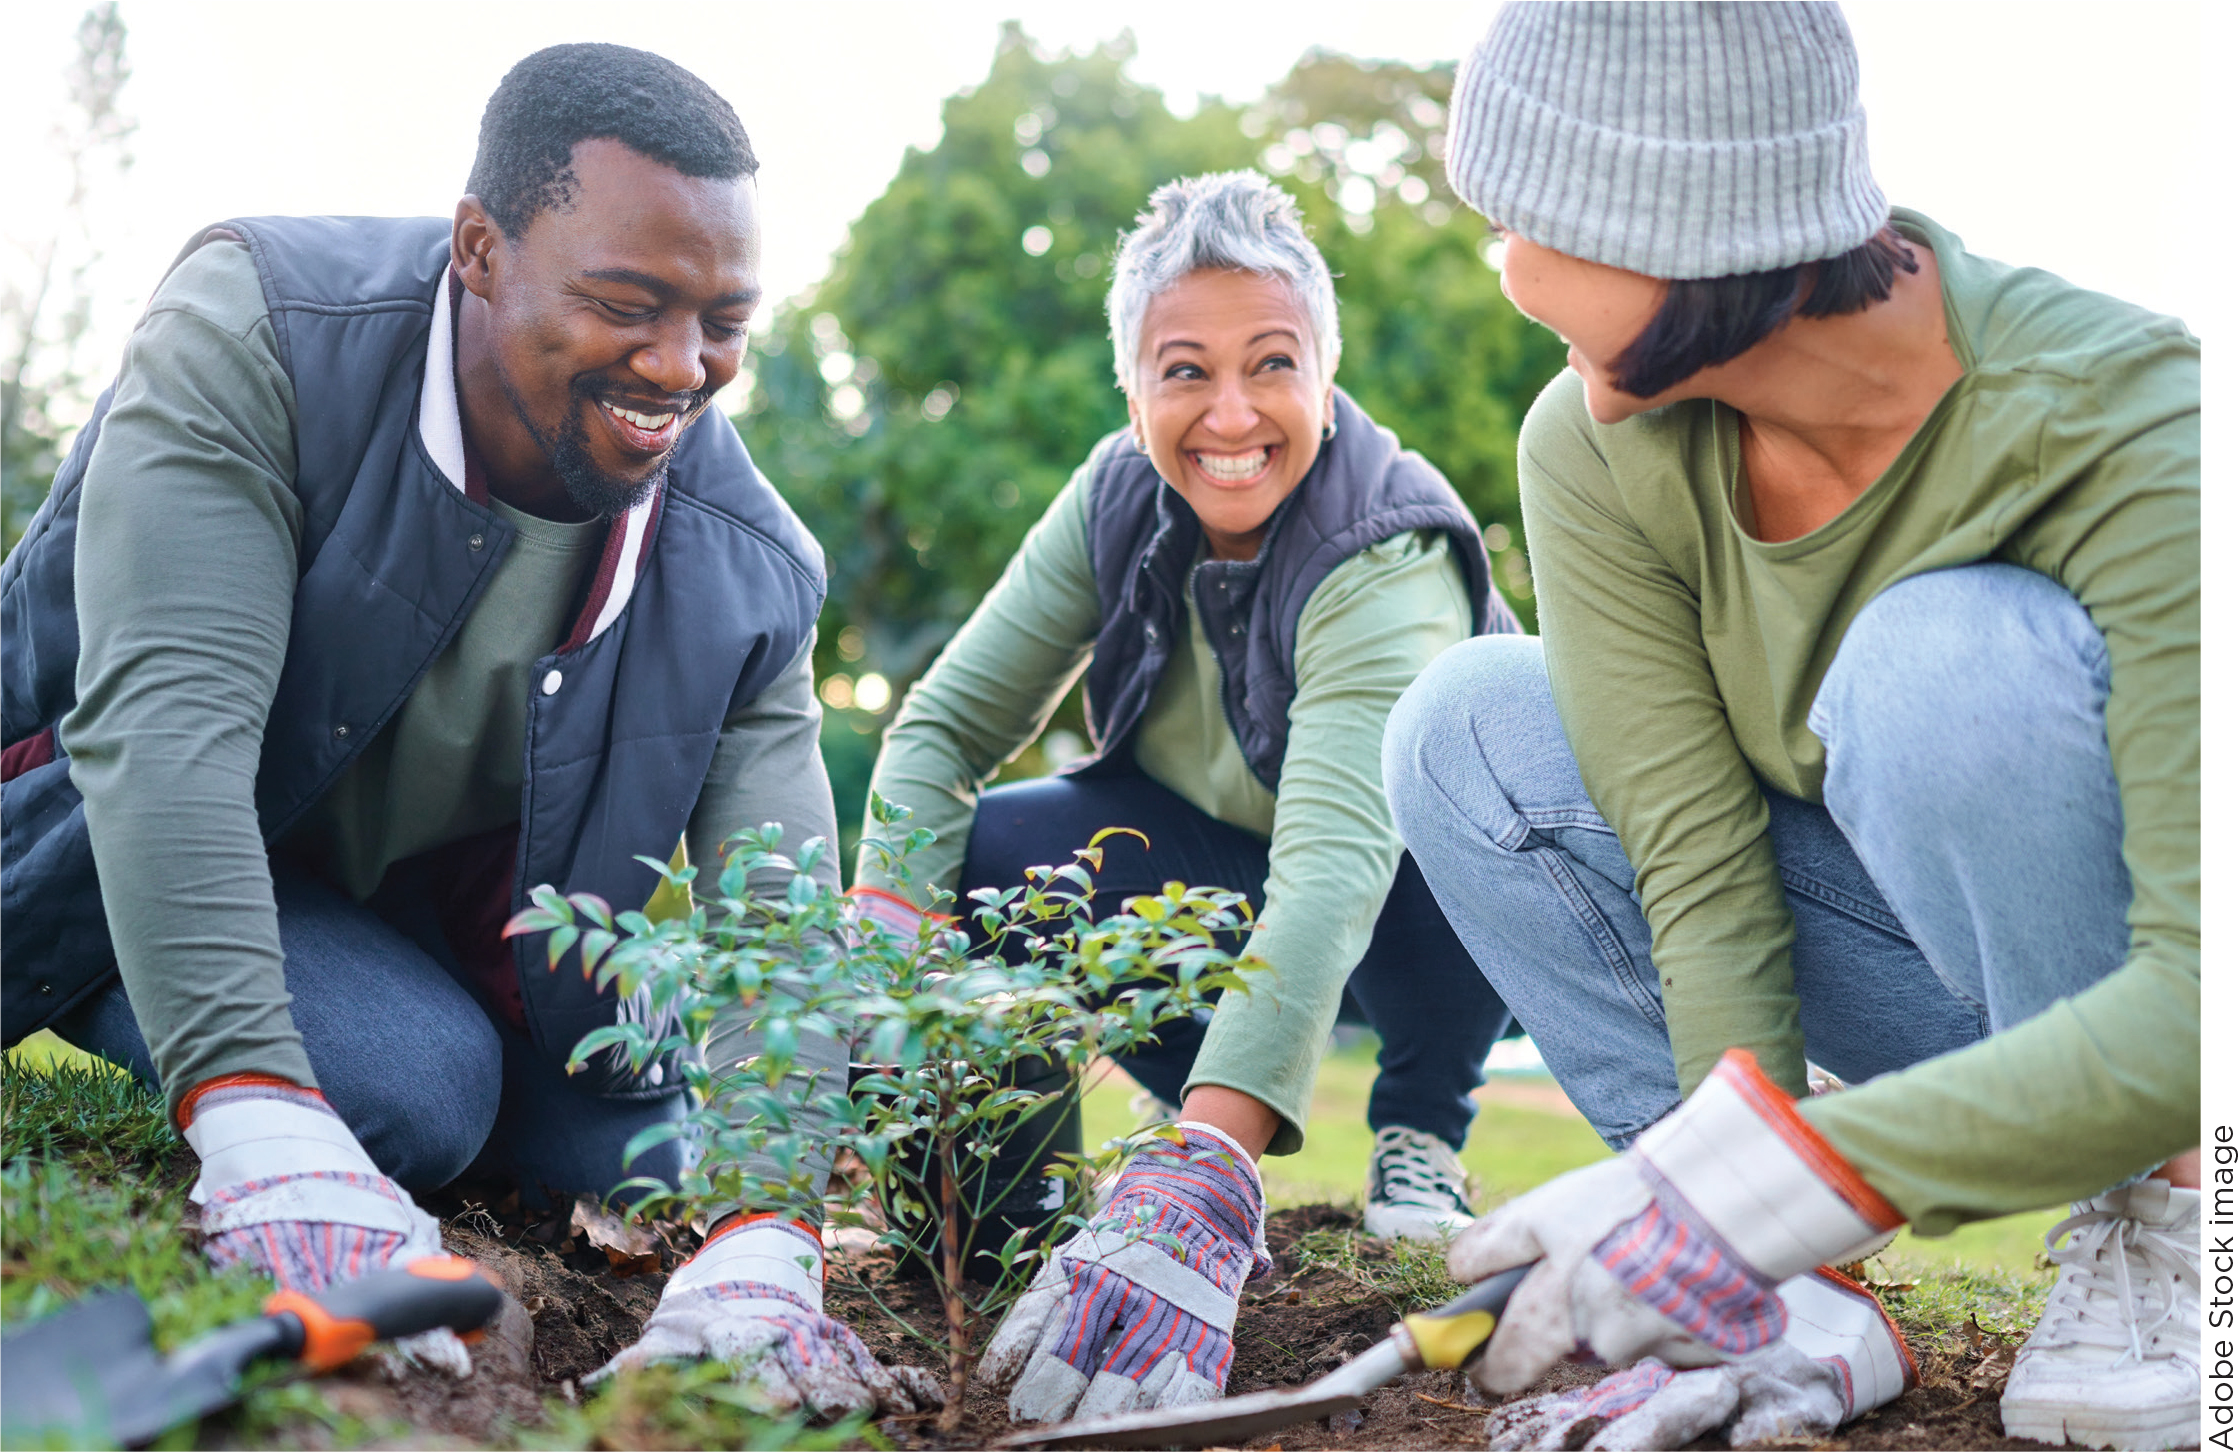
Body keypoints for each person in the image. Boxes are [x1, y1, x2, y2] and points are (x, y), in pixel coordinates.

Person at [0, 44, 933, 1416]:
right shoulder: (256, 329)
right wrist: (256, 1109)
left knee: (623, 1161)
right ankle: (136, 980)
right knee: (417, 1090)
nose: (679, 367)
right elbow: (170, 731)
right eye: (628, 304)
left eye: (722, 319)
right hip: (102, 826)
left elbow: (773, 937)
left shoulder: (748, 567)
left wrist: (764, 1235)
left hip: (428, 914)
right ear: (481, 250)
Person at [1380, 4, 2200, 1449]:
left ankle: (2173, 1229)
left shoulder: (2132, 420)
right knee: (1465, 724)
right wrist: (1755, 1237)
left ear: (1673, 226)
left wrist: (1778, 1176)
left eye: (1524, 220)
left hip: (2176, 1027)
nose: (1502, 270)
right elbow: (1694, 865)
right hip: (1939, 987)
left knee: (1931, 662)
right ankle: (1782, 1306)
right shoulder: (1595, 442)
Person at [849, 170, 1522, 1423]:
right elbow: (942, 729)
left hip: (1415, 883)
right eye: (1183, 371)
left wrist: (1210, 1172)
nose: (1231, 413)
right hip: (1213, 851)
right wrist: (885, 930)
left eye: (1271, 363)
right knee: (990, 855)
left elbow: (1332, 869)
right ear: (1132, 387)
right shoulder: (1113, 495)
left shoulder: (1386, 549)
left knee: (1438, 850)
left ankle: (1418, 1130)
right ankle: (1032, 1214)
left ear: (1326, 367)